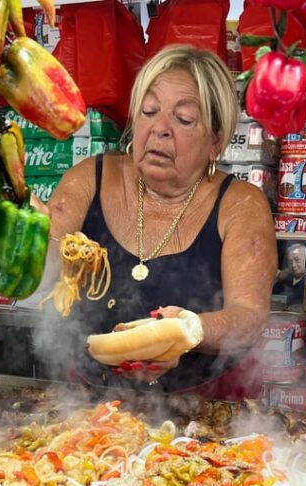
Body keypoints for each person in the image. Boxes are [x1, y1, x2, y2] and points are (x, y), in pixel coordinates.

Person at [41, 45, 276, 392]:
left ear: (215, 140)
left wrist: (186, 331)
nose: (159, 128)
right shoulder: (88, 178)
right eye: (148, 111)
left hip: (204, 405)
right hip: (88, 403)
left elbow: (248, 317)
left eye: (184, 119)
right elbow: (46, 260)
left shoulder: (242, 204)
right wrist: (25, 228)